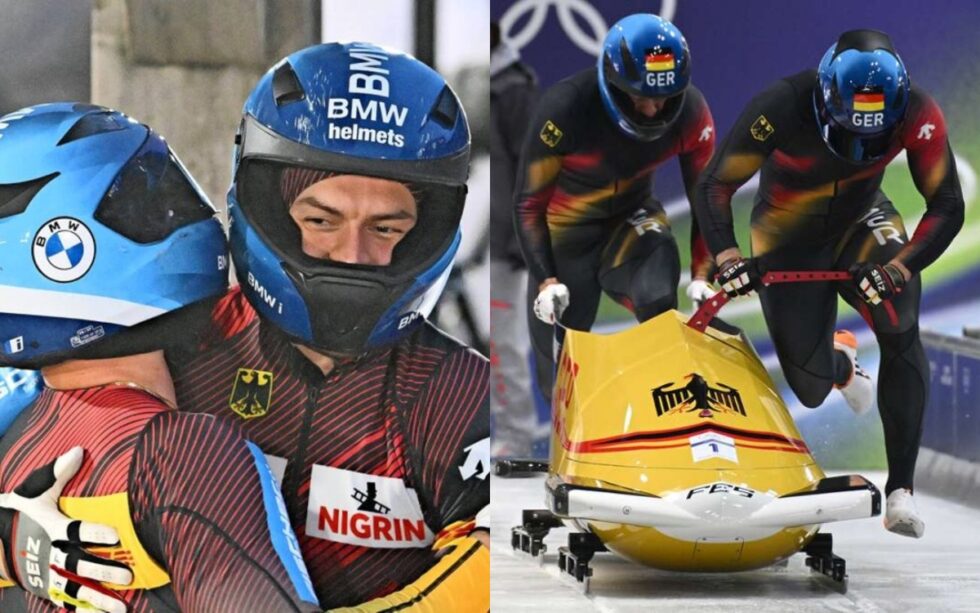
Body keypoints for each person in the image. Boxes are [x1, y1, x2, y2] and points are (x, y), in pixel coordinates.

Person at [166, 42, 489, 610]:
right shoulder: (174, 347)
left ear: (426, 232)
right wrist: (16, 543)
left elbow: (498, 563)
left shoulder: (461, 394)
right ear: (269, 210)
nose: (353, 255)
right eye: (321, 219)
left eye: (387, 228)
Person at [0, 103, 319, 612]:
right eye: (143, 200)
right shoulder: (182, 450)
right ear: (61, 243)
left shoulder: (20, 421)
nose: (185, 214)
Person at [693, 29, 964, 539]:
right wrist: (728, 255)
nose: (862, 146)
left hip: (864, 222)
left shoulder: (919, 113)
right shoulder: (781, 104)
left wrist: (898, 268)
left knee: (900, 319)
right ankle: (838, 362)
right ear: (824, 101)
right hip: (785, 235)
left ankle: (900, 492)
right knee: (811, 388)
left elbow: (947, 204)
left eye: (875, 137)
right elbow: (716, 184)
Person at [513, 13, 716, 402]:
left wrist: (703, 272)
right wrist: (546, 280)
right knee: (557, 385)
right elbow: (528, 203)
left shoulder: (691, 112)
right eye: (641, 97)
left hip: (631, 222)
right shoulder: (565, 108)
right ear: (614, 83)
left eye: (664, 98)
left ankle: (675, 414)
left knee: (658, 296)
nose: (654, 110)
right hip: (564, 239)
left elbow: (704, 195)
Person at [490, 20, 539, 458]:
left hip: (504, 244)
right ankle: (502, 431)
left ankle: (518, 436)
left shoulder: (514, 91)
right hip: (482, 240)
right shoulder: (483, 87)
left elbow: (532, 168)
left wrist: (519, 239)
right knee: (490, 338)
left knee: (504, 340)